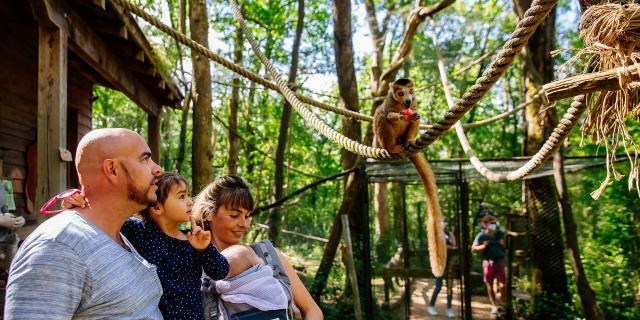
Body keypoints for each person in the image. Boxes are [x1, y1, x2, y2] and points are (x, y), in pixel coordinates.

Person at [5, 128, 164, 319]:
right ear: (112, 170)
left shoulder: (116, 235)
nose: (157, 169)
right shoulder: (58, 247)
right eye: (145, 159)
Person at [63, 172, 230, 320]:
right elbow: (104, 216)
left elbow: (220, 271)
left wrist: (204, 248)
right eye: (181, 196)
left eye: (188, 195)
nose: (190, 202)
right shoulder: (139, 232)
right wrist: (78, 202)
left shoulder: (194, 239)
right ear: (157, 208)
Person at [193, 175, 323, 320]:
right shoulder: (190, 263)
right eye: (234, 215)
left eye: (247, 216)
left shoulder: (267, 255)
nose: (244, 224)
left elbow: (312, 310)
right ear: (208, 214)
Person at [471, 210, 505, 314]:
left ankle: (503, 304)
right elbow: (473, 248)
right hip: (488, 262)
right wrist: (483, 246)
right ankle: (494, 306)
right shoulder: (481, 235)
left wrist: (503, 243)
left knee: (503, 285)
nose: (490, 223)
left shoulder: (500, 233)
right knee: (489, 285)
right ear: (483, 223)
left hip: (499, 261)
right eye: (487, 222)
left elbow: (507, 245)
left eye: (491, 221)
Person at [427, 220, 457, 318]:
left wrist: (445, 246)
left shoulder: (449, 234)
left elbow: (454, 246)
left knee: (449, 287)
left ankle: (449, 308)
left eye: (443, 222)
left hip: (449, 264)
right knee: (438, 286)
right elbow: (435, 248)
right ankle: (431, 305)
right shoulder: (434, 235)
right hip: (439, 264)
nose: (442, 224)